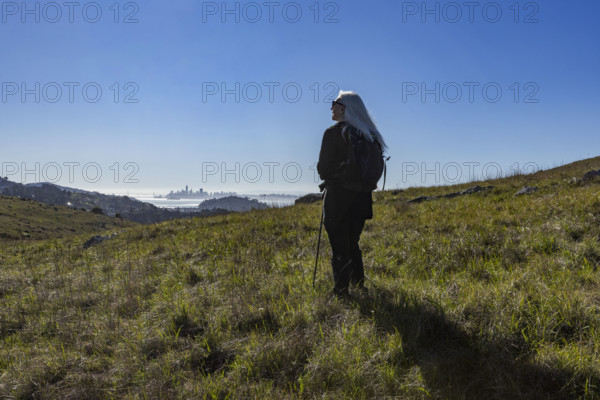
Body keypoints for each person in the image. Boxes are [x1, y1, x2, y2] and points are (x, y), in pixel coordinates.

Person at [317, 90, 387, 297]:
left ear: (344, 108)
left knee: (339, 245)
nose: (331, 107)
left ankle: (341, 291)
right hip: (362, 198)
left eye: (335, 102)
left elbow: (323, 169)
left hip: (338, 196)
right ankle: (359, 286)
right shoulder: (369, 135)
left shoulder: (333, 133)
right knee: (352, 243)